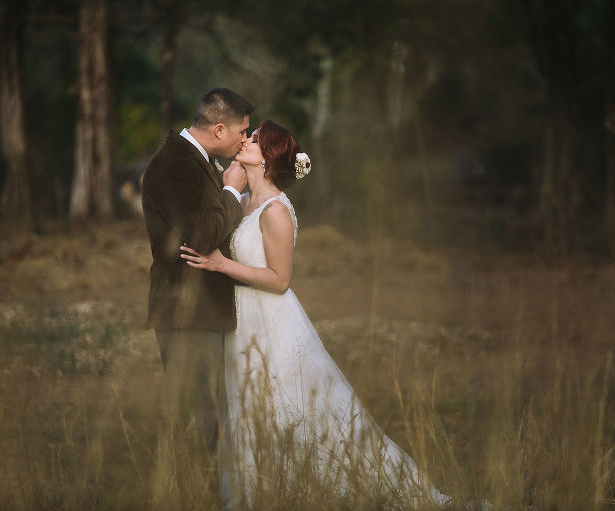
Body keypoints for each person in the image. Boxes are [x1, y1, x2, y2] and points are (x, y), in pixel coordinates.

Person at [179, 120, 453, 508]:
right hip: (240, 324)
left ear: (269, 157)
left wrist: (221, 265)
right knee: (248, 409)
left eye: (254, 139)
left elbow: (280, 279)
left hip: (272, 321)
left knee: (289, 409)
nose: (245, 140)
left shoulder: (275, 211)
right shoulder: (241, 202)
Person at [141, 88, 253, 453]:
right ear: (219, 130)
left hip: (204, 312)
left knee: (210, 417)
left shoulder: (195, 159)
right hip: (186, 313)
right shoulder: (174, 164)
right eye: (241, 132)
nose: (244, 140)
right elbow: (201, 237)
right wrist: (232, 192)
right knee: (198, 422)